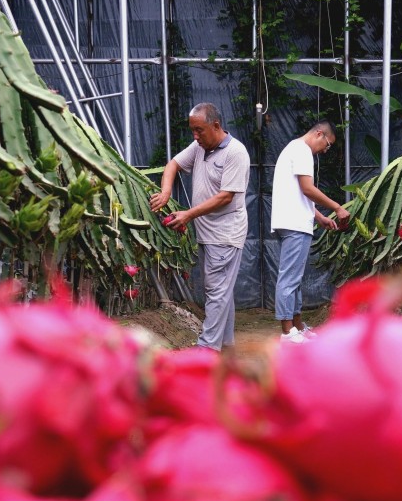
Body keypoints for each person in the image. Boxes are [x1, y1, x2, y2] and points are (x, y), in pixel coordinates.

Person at [150, 102, 251, 351]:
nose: (195, 136)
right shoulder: (199, 147)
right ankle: (224, 343)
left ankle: (206, 349)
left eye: (199, 130)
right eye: (193, 130)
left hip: (225, 234)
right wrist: (165, 191)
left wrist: (189, 215)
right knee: (221, 290)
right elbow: (173, 164)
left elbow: (226, 196)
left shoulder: (236, 153)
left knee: (216, 290)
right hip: (208, 233)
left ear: (215, 126)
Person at [270, 120, 350, 344]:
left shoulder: (294, 149)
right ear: (319, 134)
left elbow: (299, 193)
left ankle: (296, 326)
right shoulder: (302, 150)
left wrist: (320, 217)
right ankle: (287, 333)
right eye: (328, 144)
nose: (326, 149)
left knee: (294, 278)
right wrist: (336, 207)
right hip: (294, 223)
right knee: (289, 278)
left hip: (294, 221)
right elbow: (308, 188)